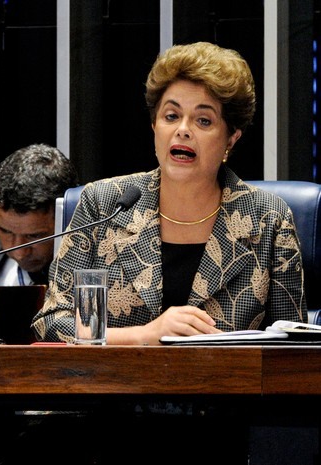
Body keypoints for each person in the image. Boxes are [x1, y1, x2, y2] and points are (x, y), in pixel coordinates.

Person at [31, 41, 307, 346]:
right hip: (119, 390)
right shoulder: (104, 204)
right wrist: (145, 335)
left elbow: (293, 346)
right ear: (154, 125)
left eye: (204, 120)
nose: (183, 130)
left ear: (231, 137)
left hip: (224, 389)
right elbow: (52, 323)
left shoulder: (269, 219)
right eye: (171, 116)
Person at [0, 143, 79, 286]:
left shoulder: (104, 268)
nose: (19, 252)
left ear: (67, 218)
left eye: (34, 236)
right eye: (6, 231)